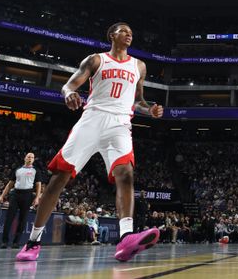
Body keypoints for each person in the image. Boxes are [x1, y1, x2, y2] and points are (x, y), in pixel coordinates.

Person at [16, 22, 164, 262]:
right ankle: (33, 241)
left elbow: (137, 101)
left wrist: (150, 110)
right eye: (124, 30)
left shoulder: (139, 65)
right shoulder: (95, 60)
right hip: (93, 118)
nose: (129, 34)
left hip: (120, 124)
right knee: (58, 179)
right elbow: (69, 85)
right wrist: (69, 94)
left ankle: (126, 237)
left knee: (125, 173)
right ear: (111, 35)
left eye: (131, 31)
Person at [0, 152, 42, 248]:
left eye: (32, 157)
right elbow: (10, 184)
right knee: (9, 218)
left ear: (34, 159)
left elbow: (38, 185)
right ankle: (4, 242)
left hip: (27, 194)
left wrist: (37, 198)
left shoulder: (36, 170)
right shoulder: (18, 169)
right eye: (28, 156)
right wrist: (2, 196)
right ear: (25, 158)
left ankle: (16, 242)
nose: (30, 158)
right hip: (15, 193)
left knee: (22, 219)